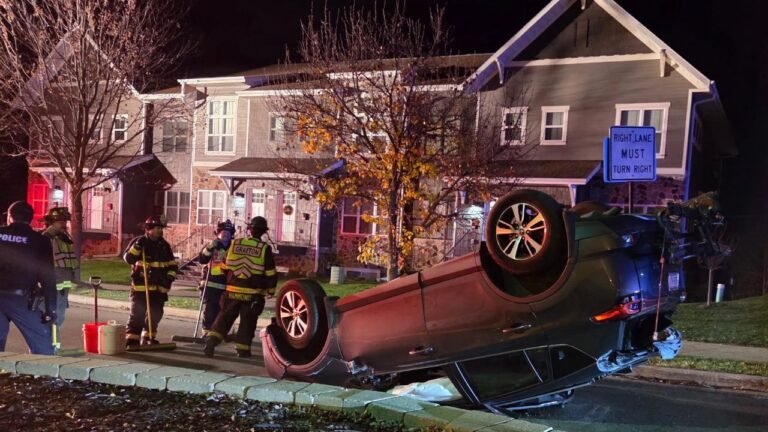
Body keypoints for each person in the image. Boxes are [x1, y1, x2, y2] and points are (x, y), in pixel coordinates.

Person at [204, 216, 277, 358]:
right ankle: (242, 350)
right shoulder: (264, 248)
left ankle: (211, 342)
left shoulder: (235, 244)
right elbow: (270, 272)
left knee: (223, 318)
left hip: (231, 291)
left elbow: (225, 266)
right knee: (247, 323)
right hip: (252, 293)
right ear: (263, 232)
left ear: (249, 230)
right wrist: (271, 290)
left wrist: (232, 280)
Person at [0, 201, 57, 354]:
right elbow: (47, 277)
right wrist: (50, 309)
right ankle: (42, 375)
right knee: (43, 347)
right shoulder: (40, 241)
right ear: (31, 219)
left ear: (9, 217)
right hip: (21, 300)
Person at [123, 216, 178, 347]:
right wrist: (137, 246)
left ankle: (149, 337)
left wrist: (169, 279)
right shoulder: (139, 242)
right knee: (138, 314)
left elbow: (172, 265)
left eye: (161, 228)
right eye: (158, 228)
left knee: (156, 314)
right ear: (149, 230)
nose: (160, 231)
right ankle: (132, 339)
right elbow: (128, 259)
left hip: (159, 288)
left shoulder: (164, 246)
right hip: (141, 286)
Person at [197, 219, 235, 339]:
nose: (226, 235)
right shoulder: (212, 245)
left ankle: (217, 333)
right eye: (224, 232)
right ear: (218, 233)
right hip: (211, 283)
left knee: (222, 311)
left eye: (229, 233)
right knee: (210, 310)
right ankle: (206, 333)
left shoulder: (233, 247)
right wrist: (209, 248)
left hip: (227, 284)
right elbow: (202, 259)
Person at [40, 207, 77, 330]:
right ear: (51, 222)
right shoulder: (46, 237)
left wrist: (75, 278)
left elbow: (69, 262)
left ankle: (54, 346)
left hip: (62, 286)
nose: (63, 224)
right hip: (50, 284)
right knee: (48, 317)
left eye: (65, 221)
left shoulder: (64, 239)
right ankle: (46, 346)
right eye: (59, 221)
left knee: (59, 318)